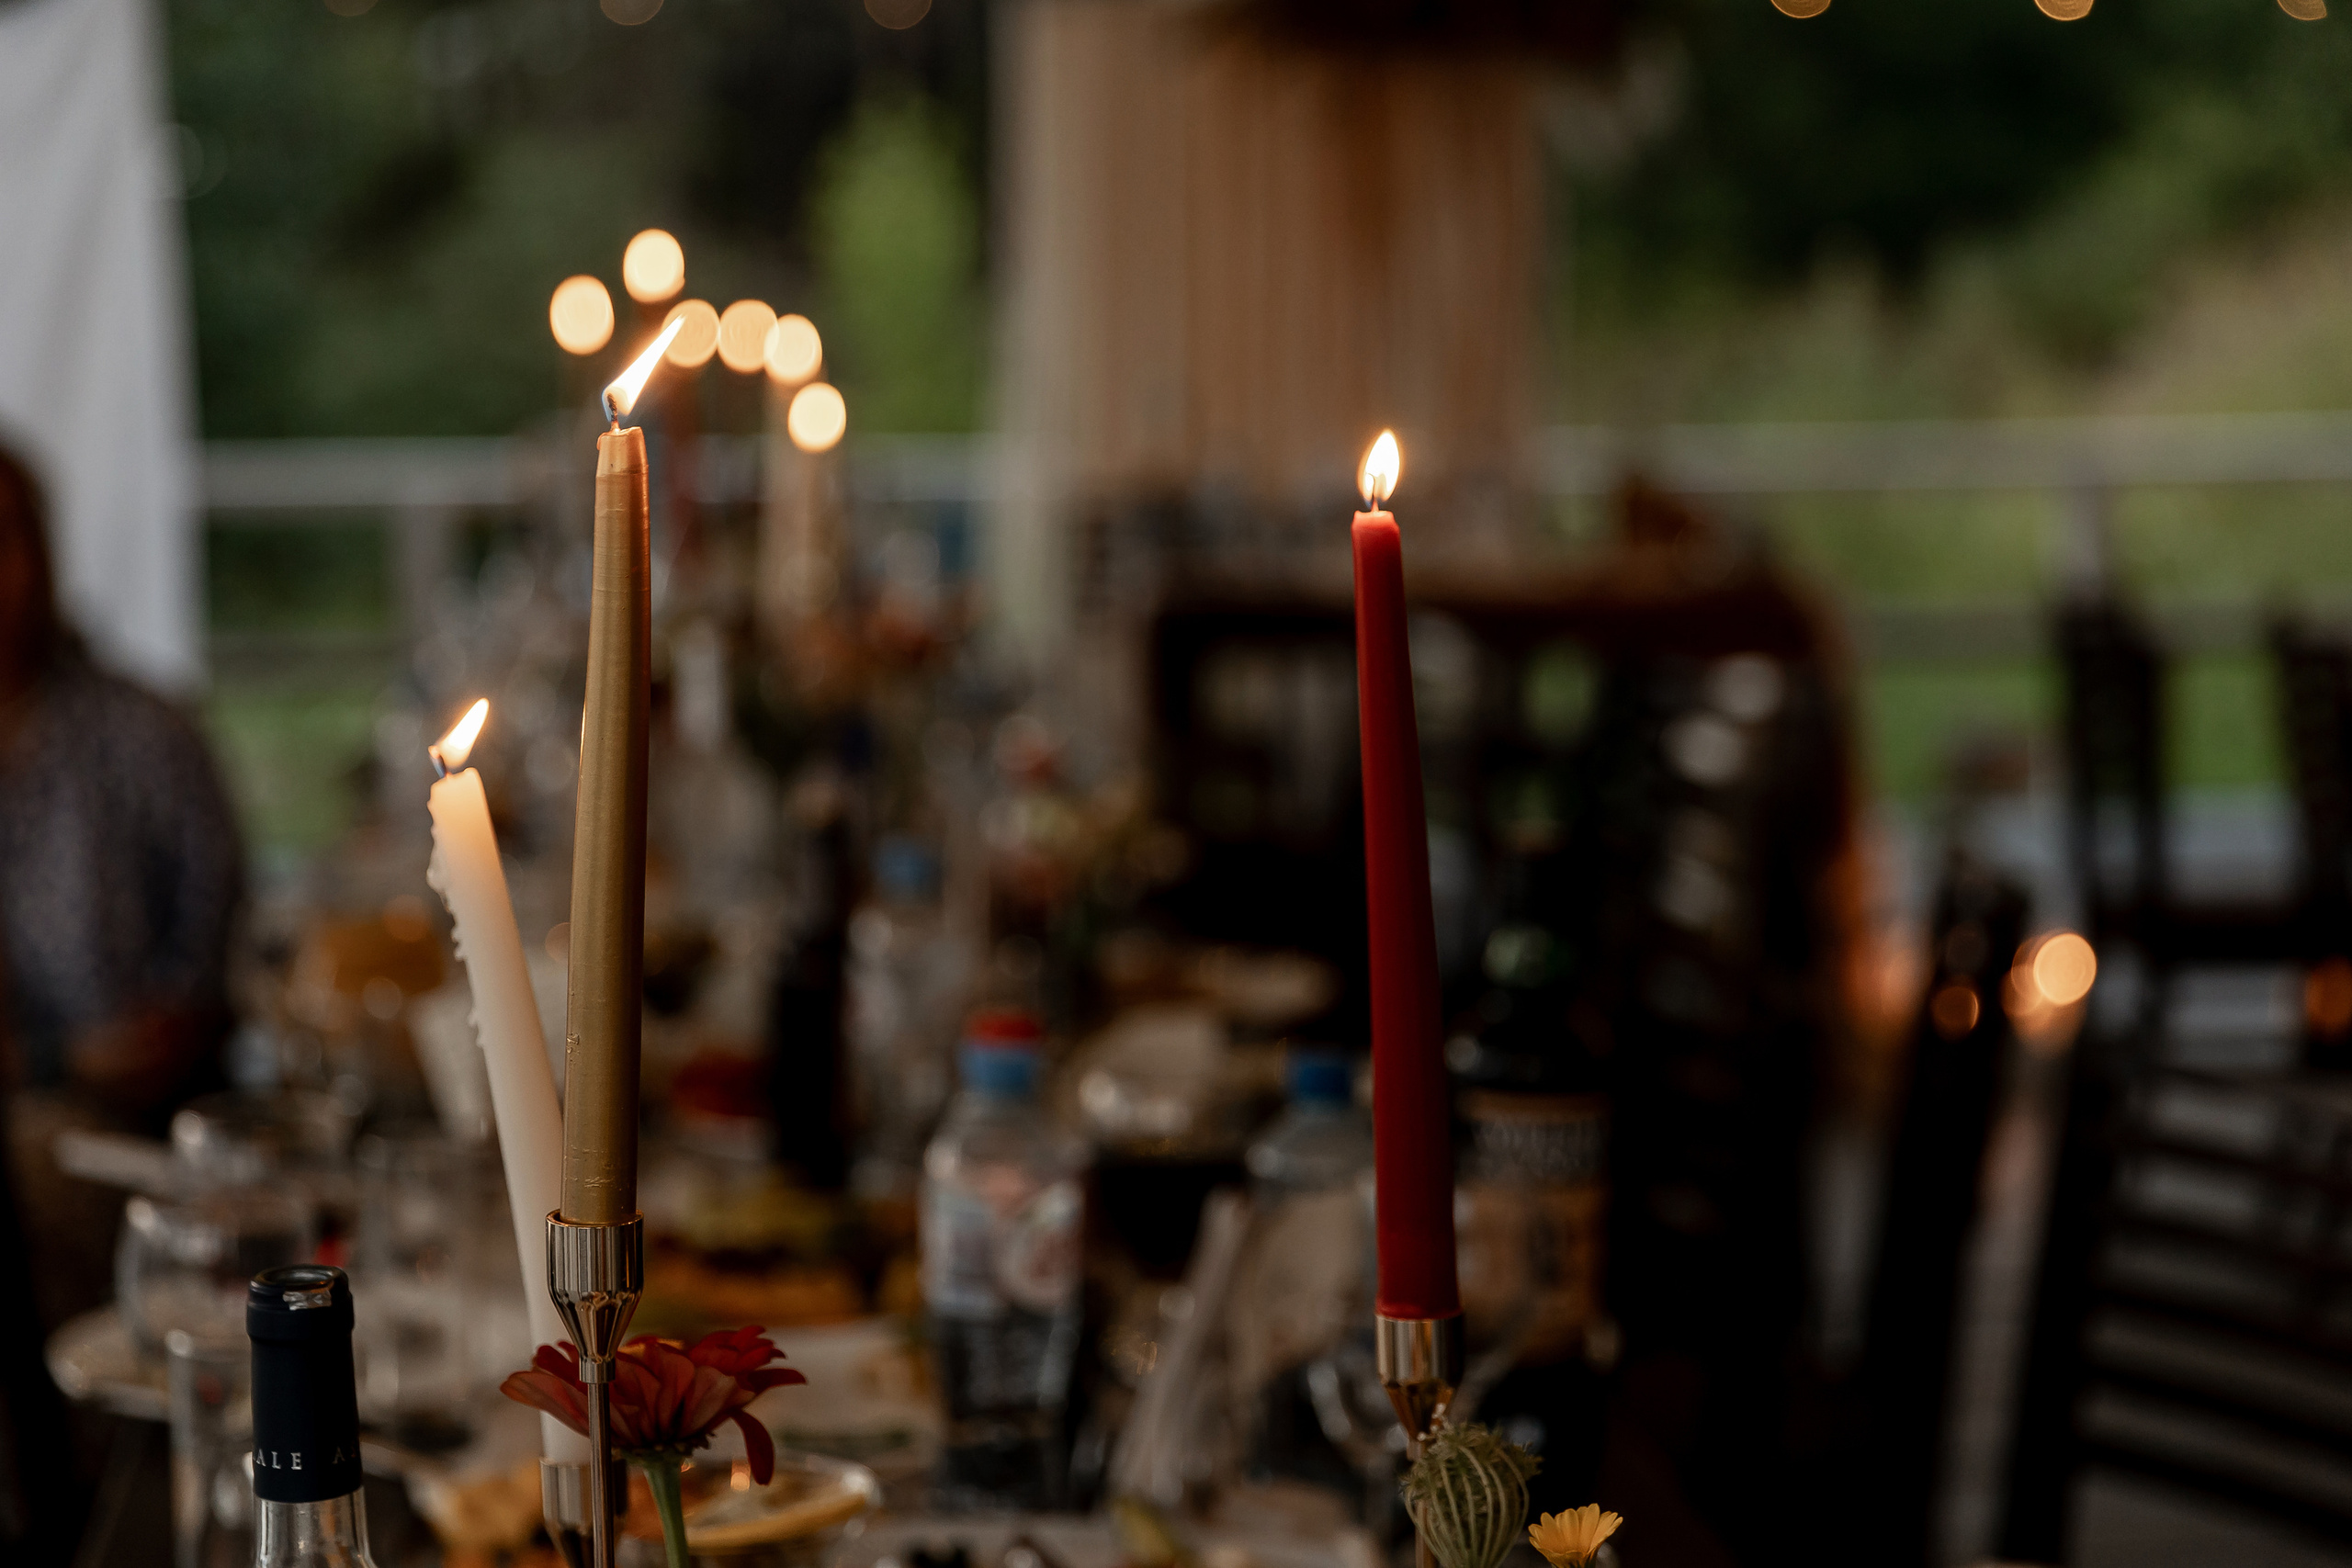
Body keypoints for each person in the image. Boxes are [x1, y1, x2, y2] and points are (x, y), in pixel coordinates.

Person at [0, 437, 244, 1314]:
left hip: (129, 1133)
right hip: (46, 1093)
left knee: (35, 1159)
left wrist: (117, 1053)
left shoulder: (145, 739)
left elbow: (210, 973)